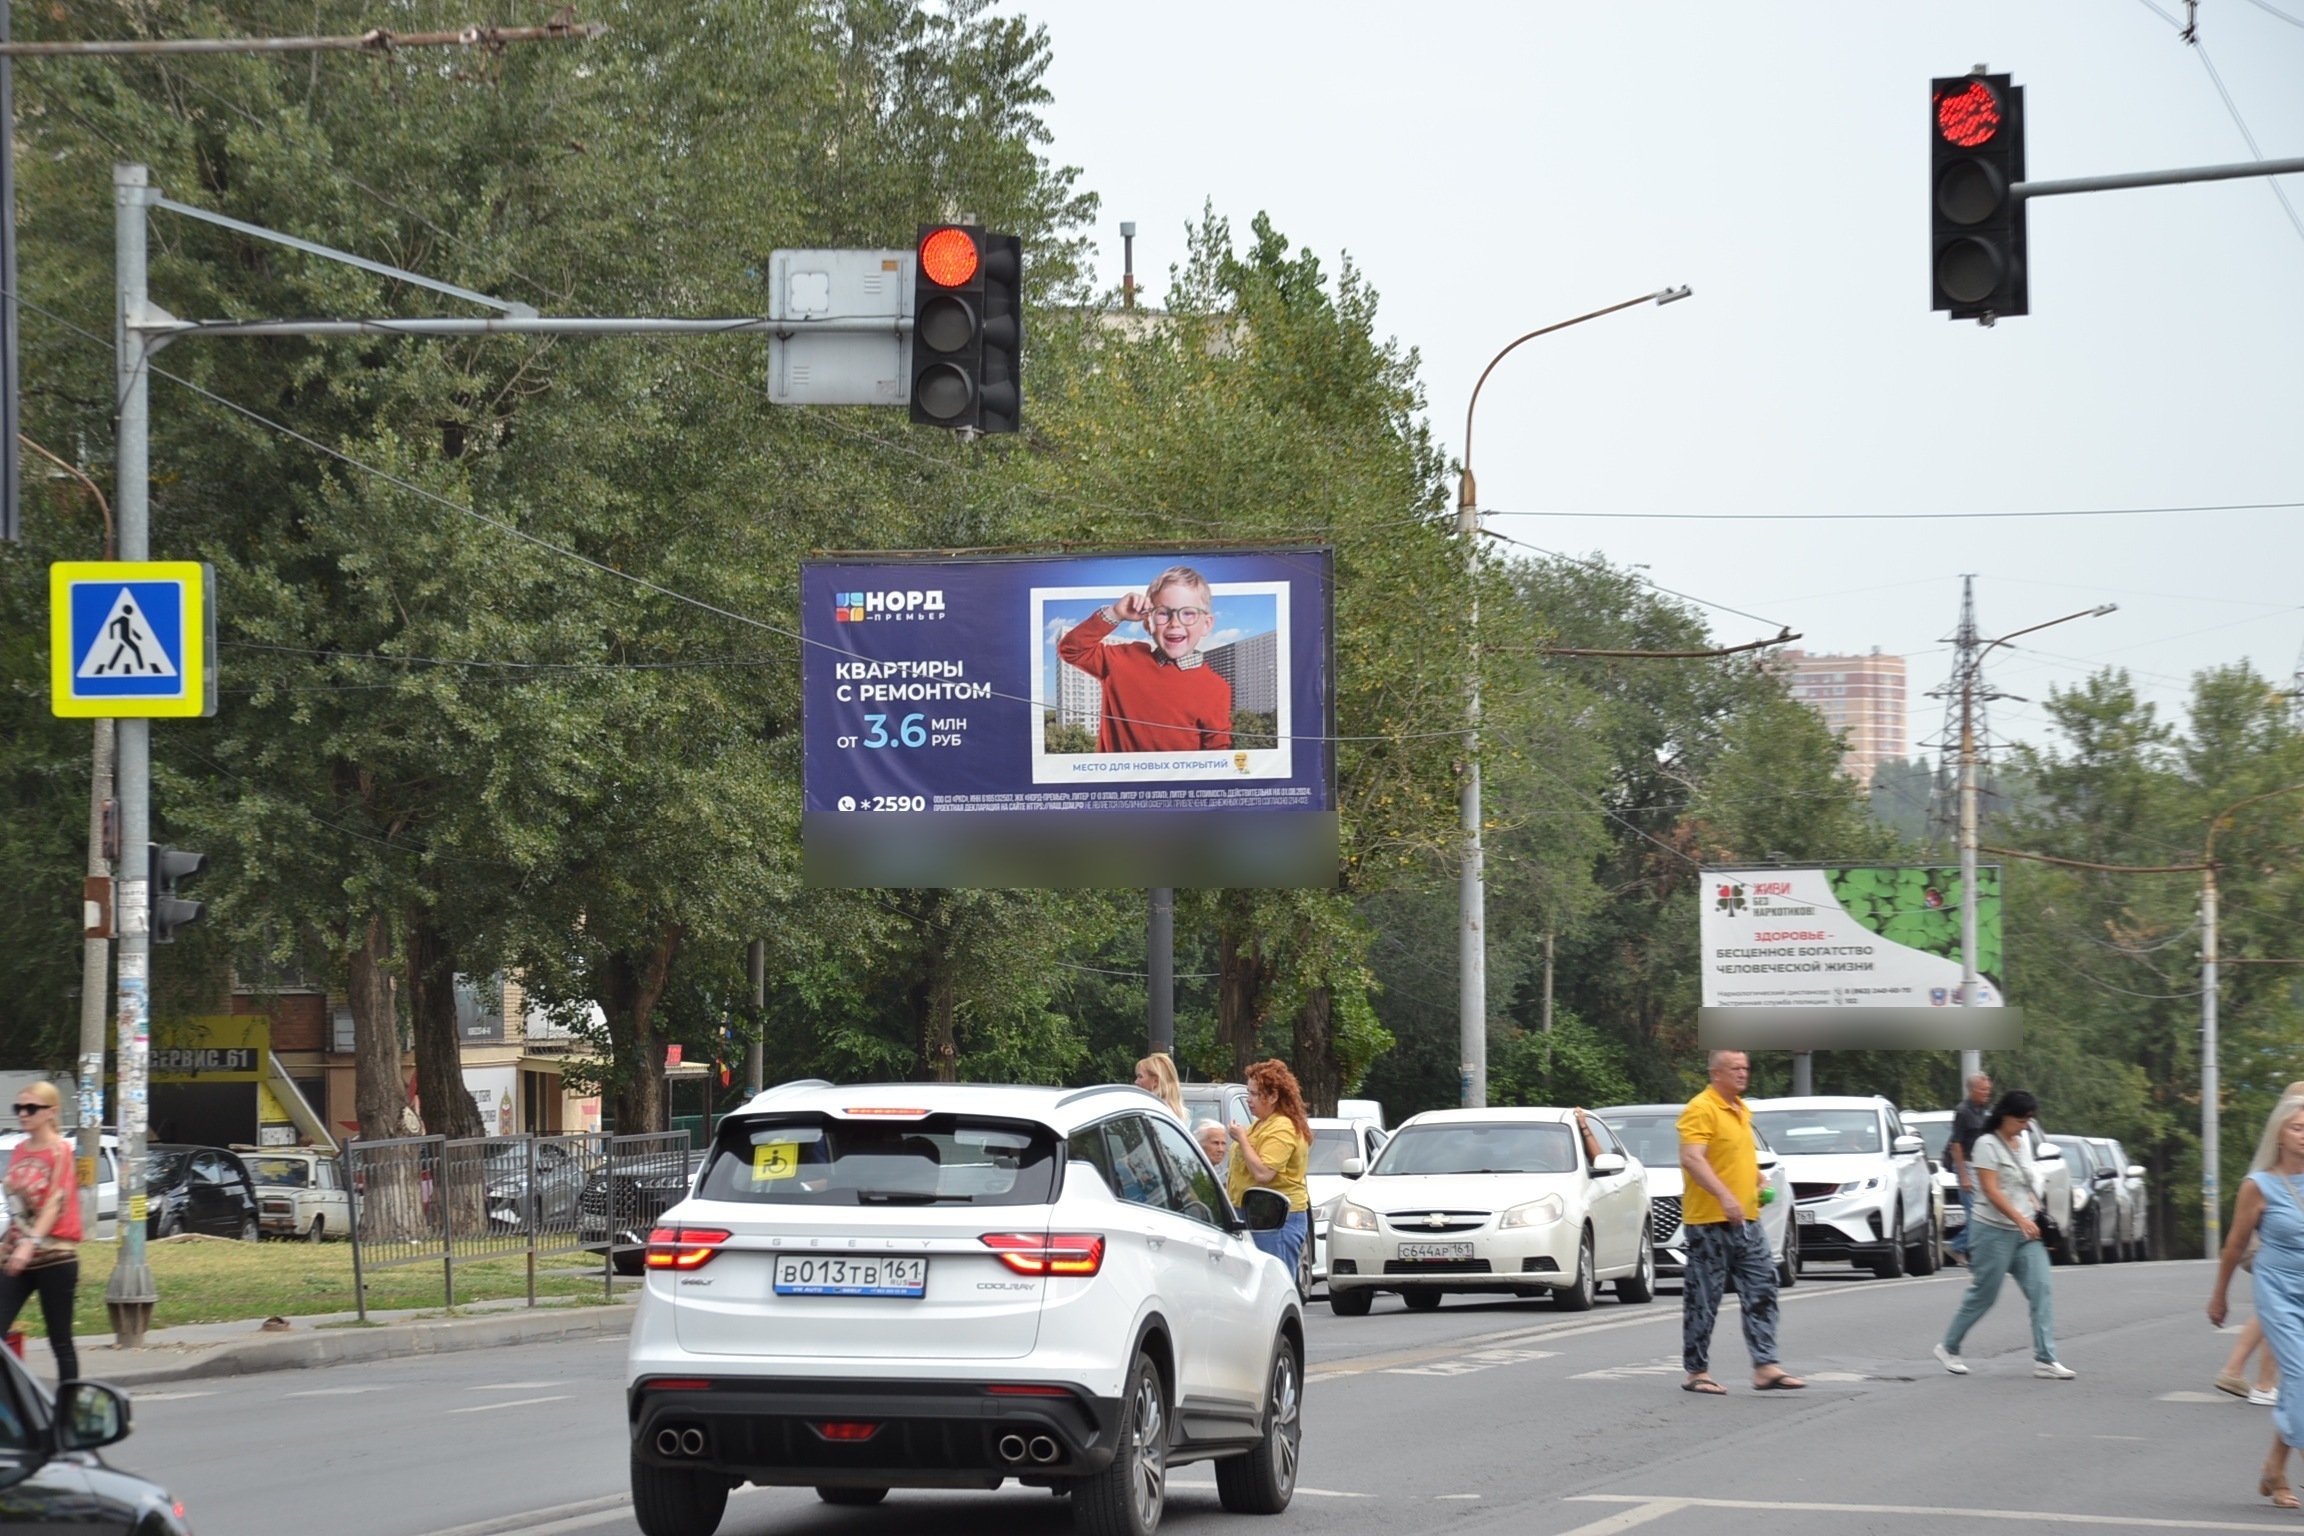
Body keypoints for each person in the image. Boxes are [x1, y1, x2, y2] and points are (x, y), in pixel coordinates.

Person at [1677, 1050, 1804, 1395]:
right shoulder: (1701, 1108)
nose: (1743, 1073)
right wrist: (1724, 1196)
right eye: (1735, 1068)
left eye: (1746, 1068)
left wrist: (1754, 1182)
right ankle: (1696, 1372)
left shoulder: (1740, 1110)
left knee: (1763, 1291)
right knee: (1703, 1299)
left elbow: (1731, 1159)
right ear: (1715, 1073)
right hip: (1709, 1222)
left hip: (1747, 1220)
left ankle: (1765, 1367)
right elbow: (1692, 1158)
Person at [1934, 1089, 2073, 1379]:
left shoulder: (2021, 1143)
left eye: (2030, 1119)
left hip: (2026, 1233)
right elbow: (1991, 1189)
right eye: (2022, 1118)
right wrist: (2019, 1218)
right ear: (2005, 1115)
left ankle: (2045, 1360)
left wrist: (2035, 1214)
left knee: (2042, 1290)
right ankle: (1948, 1347)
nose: (2026, 1125)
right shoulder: (1986, 1144)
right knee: (1984, 1295)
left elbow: (2024, 1184)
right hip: (1992, 1232)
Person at [2210, 1092, 2304, 1508]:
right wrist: (2220, 1295)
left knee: (2296, 1386)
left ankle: (2274, 1468)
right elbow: (2234, 1244)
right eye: (2298, 1128)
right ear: (2279, 1134)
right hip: (2277, 1289)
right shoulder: (2258, 1185)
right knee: (2301, 1377)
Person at [1055, 567, 1233, 753]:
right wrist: (1115, 614)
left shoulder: (1217, 688)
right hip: (1115, 779)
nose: (1175, 623)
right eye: (1163, 613)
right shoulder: (1122, 660)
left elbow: (1216, 752)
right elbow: (1072, 650)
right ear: (1148, 623)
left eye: (1188, 613)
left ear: (1206, 625)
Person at [2218, 1079, 2304, 1404]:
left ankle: (2245, 1373)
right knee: (2279, 1309)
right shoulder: (2299, 1090)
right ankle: (2262, 1381)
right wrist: (2218, 1296)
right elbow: (2235, 1242)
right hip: (2278, 1243)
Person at [0, 1083, 80, 1383]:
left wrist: (29, 1243)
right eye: (18, 1108)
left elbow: (54, 1202)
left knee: (60, 1341)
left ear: (51, 1112)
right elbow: (18, 1208)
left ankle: (70, 1410)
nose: (23, 1114)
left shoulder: (60, 1151)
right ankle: (16, 1405)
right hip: (18, 1257)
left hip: (55, 1257)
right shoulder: (19, 1149)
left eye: (31, 1108)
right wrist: (8, 1245)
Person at [1226, 1059, 1311, 1278]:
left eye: (1255, 1094)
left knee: (1275, 1283)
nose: (1248, 1099)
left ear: (1273, 1096)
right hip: (1256, 1215)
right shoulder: (1262, 1123)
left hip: (1276, 1218)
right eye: (1249, 1092)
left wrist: (1242, 1139)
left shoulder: (1282, 1127)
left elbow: (1263, 1173)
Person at [1945, 1072, 1994, 1262]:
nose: (1986, 1093)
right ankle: (1957, 1247)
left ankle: (1974, 1251)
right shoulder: (1963, 1111)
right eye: (1983, 1089)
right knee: (1975, 1214)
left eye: (1988, 1089)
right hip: (1967, 1165)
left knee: (1984, 1211)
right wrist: (1963, 1175)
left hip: (1983, 1167)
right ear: (1972, 1090)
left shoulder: (1984, 1110)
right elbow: (1956, 1144)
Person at [1133, 1053, 1186, 1121]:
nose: (1136, 1082)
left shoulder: (1154, 1109)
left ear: (1156, 1081)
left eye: (1140, 1076)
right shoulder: (1171, 1110)